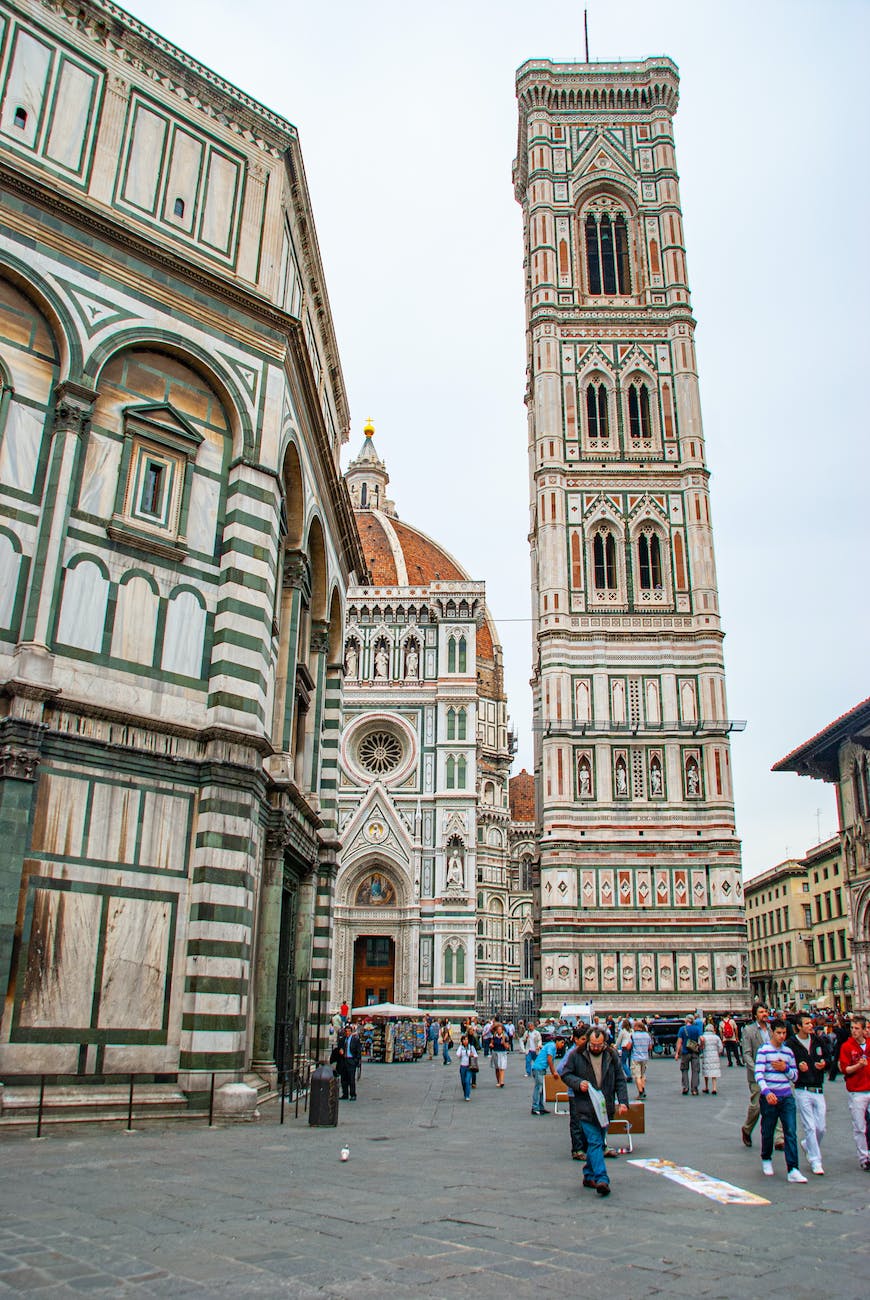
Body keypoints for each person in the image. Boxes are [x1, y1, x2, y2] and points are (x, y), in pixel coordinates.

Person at [562, 1026, 629, 1197]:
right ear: (588, 1041)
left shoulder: (611, 1055)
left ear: (604, 1043)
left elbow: (620, 1079)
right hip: (584, 1106)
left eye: (600, 1045)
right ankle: (602, 1179)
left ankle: (588, 1174)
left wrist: (623, 1102)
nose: (596, 1048)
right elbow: (565, 1074)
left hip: (605, 1107)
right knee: (595, 1142)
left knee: (597, 1141)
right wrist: (578, 1083)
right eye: (593, 1045)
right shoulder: (576, 1054)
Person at [755, 1018, 806, 1182]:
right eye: (778, 1033)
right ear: (772, 1032)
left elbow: (795, 1076)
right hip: (770, 1097)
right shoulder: (764, 1050)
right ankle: (766, 1158)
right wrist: (766, 1092)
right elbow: (759, 1074)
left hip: (786, 1096)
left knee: (790, 1132)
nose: (782, 1036)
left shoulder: (788, 1052)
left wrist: (785, 1068)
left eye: (784, 1033)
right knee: (768, 1130)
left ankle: (793, 1169)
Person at [786, 1012, 827, 1176]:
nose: (811, 1026)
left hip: (818, 1087)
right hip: (802, 1089)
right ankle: (815, 1160)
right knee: (809, 1126)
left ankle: (807, 1144)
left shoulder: (818, 1041)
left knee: (821, 1127)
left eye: (811, 1023)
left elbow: (828, 1057)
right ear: (799, 1026)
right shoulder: (791, 1044)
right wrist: (797, 1067)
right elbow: (788, 1067)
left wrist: (825, 1064)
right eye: (807, 1023)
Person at [741, 1003, 781, 1149]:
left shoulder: (773, 1030)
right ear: (755, 1015)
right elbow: (746, 1054)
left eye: (766, 1011)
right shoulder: (748, 1030)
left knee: (777, 1103)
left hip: (774, 1074)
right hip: (757, 1076)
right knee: (756, 1107)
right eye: (761, 1012)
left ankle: (779, 1139)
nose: (765, 1014)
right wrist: (757, 1070)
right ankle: (747, 1128)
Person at [837, 1014, 870, 1170]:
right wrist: (859, 1066)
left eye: (857, 1028)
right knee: (860, 1126)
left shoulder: (869, 1044)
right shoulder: (847, 1046)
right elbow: (845, 1069)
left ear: (864, 1030)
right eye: (852, 1028)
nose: (854, 1031)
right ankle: (864, 1158)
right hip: (857, 1092)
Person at [558, 1023, 590, 1158]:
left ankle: (586, 1147)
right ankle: (577, 1149)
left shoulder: (586, 1052)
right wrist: (575, 1081)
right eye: (583, 1039)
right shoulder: (572, 1052)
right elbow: (560, 1069)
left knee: (587, 1121)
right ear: (575, 1039)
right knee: (576, 1121)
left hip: (587, 1092)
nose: (585, 1042)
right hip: (575, 1092)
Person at [530, 1030, 559, 1115]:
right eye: (561, 1043)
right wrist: (554, 1072)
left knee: (542, 1089)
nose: (562, 1045)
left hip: (540, 1068)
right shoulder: (552, 1046)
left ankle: (540, 1107)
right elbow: (549, 1060)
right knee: (538, 1088)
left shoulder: (550, 1045)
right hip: (539, 1068)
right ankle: (535, 1107)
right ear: (557, 1041)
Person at [675, 1013, 702, 1095]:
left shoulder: (682, 1029)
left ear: (686, 1020)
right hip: (695, 1052)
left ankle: (685, 1087)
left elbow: (679, 1042)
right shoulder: (697, 1028)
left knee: (684, 1070)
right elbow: (702, 1038)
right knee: (695, 1070)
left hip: (685, 1052)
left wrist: (677, 1053)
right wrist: (701, 1046)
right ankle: (694, 1089)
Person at [630, 1019, 652, 1100]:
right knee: (643, 1075)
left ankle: (641, 1092)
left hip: (636, 1057)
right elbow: (650, 1047)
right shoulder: (647, 1035)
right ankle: (643, 1088)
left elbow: (629, 1046)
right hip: (645, 1057)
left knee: (637, 1076)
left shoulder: (633, 1035)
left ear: (637, 1027)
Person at [700, 1022, 723, 1095]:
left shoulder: (703, 1037)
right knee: (714, 1073)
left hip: (706, 1055)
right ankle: (714, 1088)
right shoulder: (716, 1037)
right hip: (714, 1056)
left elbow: (700, 1046)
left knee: (706, 1072)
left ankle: (706, 1087)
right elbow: (720, 1047)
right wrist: (718, 1052)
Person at [457, 1033, 478, 1101]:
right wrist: (460, 1054)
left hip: (469, 1066)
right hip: (462, 1066)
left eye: (466, 1039)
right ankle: (465, 1092)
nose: (465, 1041)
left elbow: (476, 1055)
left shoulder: (471, 1047)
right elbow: (458, 1054)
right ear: (462, 1041)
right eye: (464, 1040)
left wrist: (472, 1055)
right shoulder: (461, 1047)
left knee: (467, 1081)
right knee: (463, 1081)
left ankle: (467, 1095)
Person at [490, 1021, 508, 1087]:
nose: (499, 1030)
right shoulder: (494, 1036)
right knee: (497, 1068)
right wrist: (491, 1044)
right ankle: (499, 1081)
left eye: (500, 1029)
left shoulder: (505, 1037)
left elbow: (507, 1047)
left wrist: (503, 1043)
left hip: (502, 1053)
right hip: (495, 1052)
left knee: (502, 1067)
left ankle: (502, 1081)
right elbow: (491, 1043)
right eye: (498, 1029)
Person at [615, 1018, 633, 1083]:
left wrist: (615, 1046)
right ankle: (629, 1073)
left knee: (623, 1062)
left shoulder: (623, 1031)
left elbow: (619, 1040)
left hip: (625, 1047)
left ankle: (629, 1075)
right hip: (631, 1047)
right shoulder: (632, 1030)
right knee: (630, 1062)